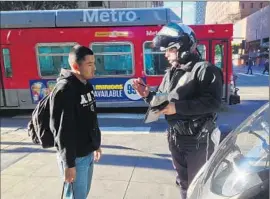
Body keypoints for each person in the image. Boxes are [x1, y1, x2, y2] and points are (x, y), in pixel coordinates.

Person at [132, 22, 223, 199]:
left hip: (198, 140)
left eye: (169, 50)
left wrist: (177, 107)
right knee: (183, 183)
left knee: (199, 184)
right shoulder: (171, 72)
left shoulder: (204, 69)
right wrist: (147, 95)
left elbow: (213, 102)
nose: (165, 54)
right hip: (175, 137)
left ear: (182, 47)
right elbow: (162, 101)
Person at [49, 45, 102, 199]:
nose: (94, 68)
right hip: (75, 158)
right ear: (75, 66)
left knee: (82, 195)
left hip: (87, 153)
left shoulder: (87, 85)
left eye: (94, 63)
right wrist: (68, 164)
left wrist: (96, 144)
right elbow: (62, 130)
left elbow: (91, 118)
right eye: (90, 64)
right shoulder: (65, 90)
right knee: (74, 197)